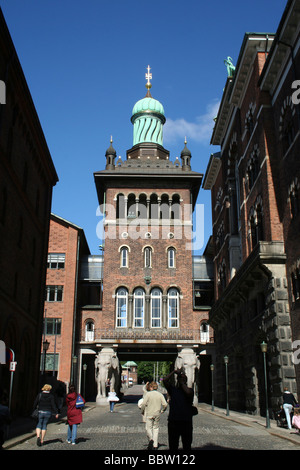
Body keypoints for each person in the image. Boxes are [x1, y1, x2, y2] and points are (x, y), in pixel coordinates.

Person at [163, 369, 194, 451]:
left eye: (183, 378)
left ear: (185, 381)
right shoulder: (173, 390)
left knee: (187, 445)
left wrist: (182, 383)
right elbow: (165, 380)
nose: (181, 379)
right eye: (180, 378)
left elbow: (188, 393)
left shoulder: (190, 390)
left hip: (186, 422)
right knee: (173, 445)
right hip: (174, 421)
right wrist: (173, 372)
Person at [140, 381, 167, 450]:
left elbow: (143, 404)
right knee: (156, 428)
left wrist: (142, 411)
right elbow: (165, 404)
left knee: (148, 428)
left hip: (149, 413)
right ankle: (155, 445)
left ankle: (151, 439)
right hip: (157, 414)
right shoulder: (160, 395)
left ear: (151, 387)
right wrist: (162, 410)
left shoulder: (148, 394)